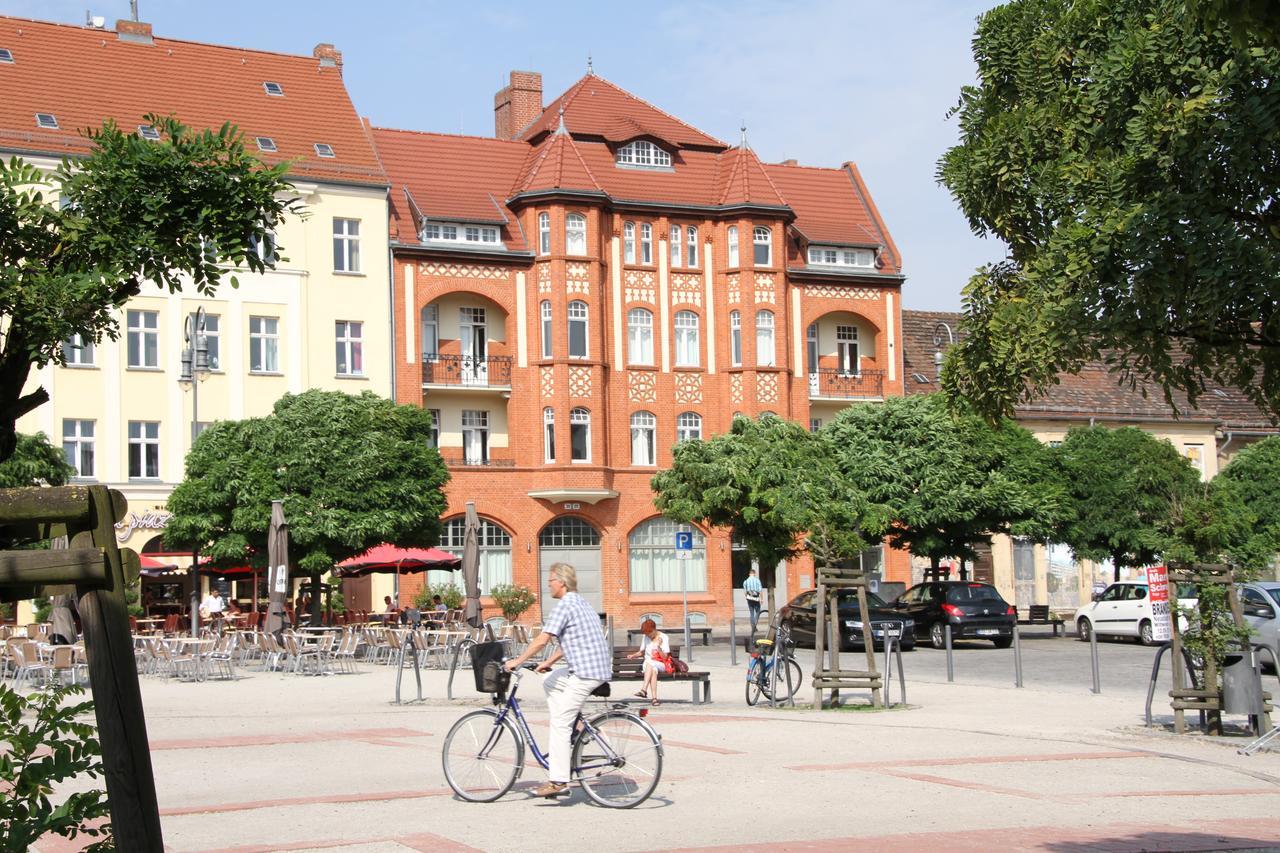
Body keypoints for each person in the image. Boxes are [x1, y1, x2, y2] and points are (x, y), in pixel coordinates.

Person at [505, 563, 612, 799]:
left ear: (562, 582)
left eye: (551, 580)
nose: (548, 584)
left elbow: (542, 640)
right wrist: (549, 662)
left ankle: (558, 781)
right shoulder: (581, 603)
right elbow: (572, 640)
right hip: (595, 668)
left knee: (559, 724)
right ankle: (572, 725)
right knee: (550, 680)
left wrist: (518, 661)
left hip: (586, 672)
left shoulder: (564, 606)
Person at [627, 618, 670, 705]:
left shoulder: (664, 637)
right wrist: (633, 655)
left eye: (649, 633)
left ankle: (644, 690)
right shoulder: (645, 637)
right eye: (646, 634)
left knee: (650, 663)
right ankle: (654, 699)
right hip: (648, 665)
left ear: (654, 630)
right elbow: (642, 652)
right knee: (652, 668)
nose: (648, 636)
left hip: (661, 664)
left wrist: (658, 647)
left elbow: (665, 658)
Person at [744, 568, 763, 634]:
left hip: (749, 599)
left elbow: (745, 592)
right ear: (754, 574)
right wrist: (762, 599)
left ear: (749, 574)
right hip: (756, 599)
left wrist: (747, 597)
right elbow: (760, 591)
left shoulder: (745, 581)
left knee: (751, 612)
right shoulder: (757, 580)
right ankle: (754, 625)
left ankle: (753, 626)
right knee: (758, 611)